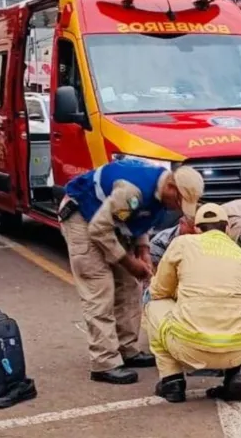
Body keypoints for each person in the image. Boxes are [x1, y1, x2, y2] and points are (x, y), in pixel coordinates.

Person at [60, 158, 204, 385]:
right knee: (100, 289)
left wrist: (143, 250)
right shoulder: (132, 192)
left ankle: (128, 349)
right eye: (178, 201)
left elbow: (138, 220)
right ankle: (104, 362)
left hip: (109, 221)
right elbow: (99, 229)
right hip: (84, 219)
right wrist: (129, 262)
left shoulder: (159, 193)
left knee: (129, 286)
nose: (177, 208)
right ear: (171, 187)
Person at [144, 204, 241, 403]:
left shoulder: (182, 244)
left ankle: (172, 380)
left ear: (196, 229)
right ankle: (237, 374)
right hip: (240, 346)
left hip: (190, 345)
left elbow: (159, 291)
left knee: (153, 305)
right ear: (228, 228)